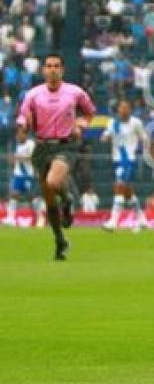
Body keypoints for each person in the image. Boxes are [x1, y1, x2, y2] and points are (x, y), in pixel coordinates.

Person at [16, 53, 95, 260]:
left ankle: (68, 199)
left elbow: (89, 112)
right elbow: (23, 117)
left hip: (65, 145)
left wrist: (81, 124)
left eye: (56, 66)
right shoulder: (33, 94)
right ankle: (60, 241)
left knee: (53, 182)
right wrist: (23, 127)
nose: (52, 70)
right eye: (49, 66)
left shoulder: (75, 92)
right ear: (43, 70)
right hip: (42, 146)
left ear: (62, 70)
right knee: (49, 200)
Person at [101, 99, 149, 232]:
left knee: (119, 186)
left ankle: (113, 221)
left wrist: (148, 150)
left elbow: (144, 138)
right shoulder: (113, 123)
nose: (124, 110)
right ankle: (142, 219)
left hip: (129, 160)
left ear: (130, 110)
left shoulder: (136, 123)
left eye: (127, 108)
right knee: (128, 192)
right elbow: (105, 135)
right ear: (118, 110)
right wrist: (105, 137)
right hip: (117, 159)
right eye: (122, 108)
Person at [4, 126, 36, 226]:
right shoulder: (18, 145)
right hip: (19, 174)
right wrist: (13, 161)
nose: (17, 136)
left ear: (25, 134)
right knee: (14, 194)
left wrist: (17, 157)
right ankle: (10, 218)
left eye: (19, 133)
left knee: (31, 197)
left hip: (27, 174)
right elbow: (17, 160)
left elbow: (32, 158)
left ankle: (40, 217)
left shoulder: (30, 144)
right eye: (17, 134)